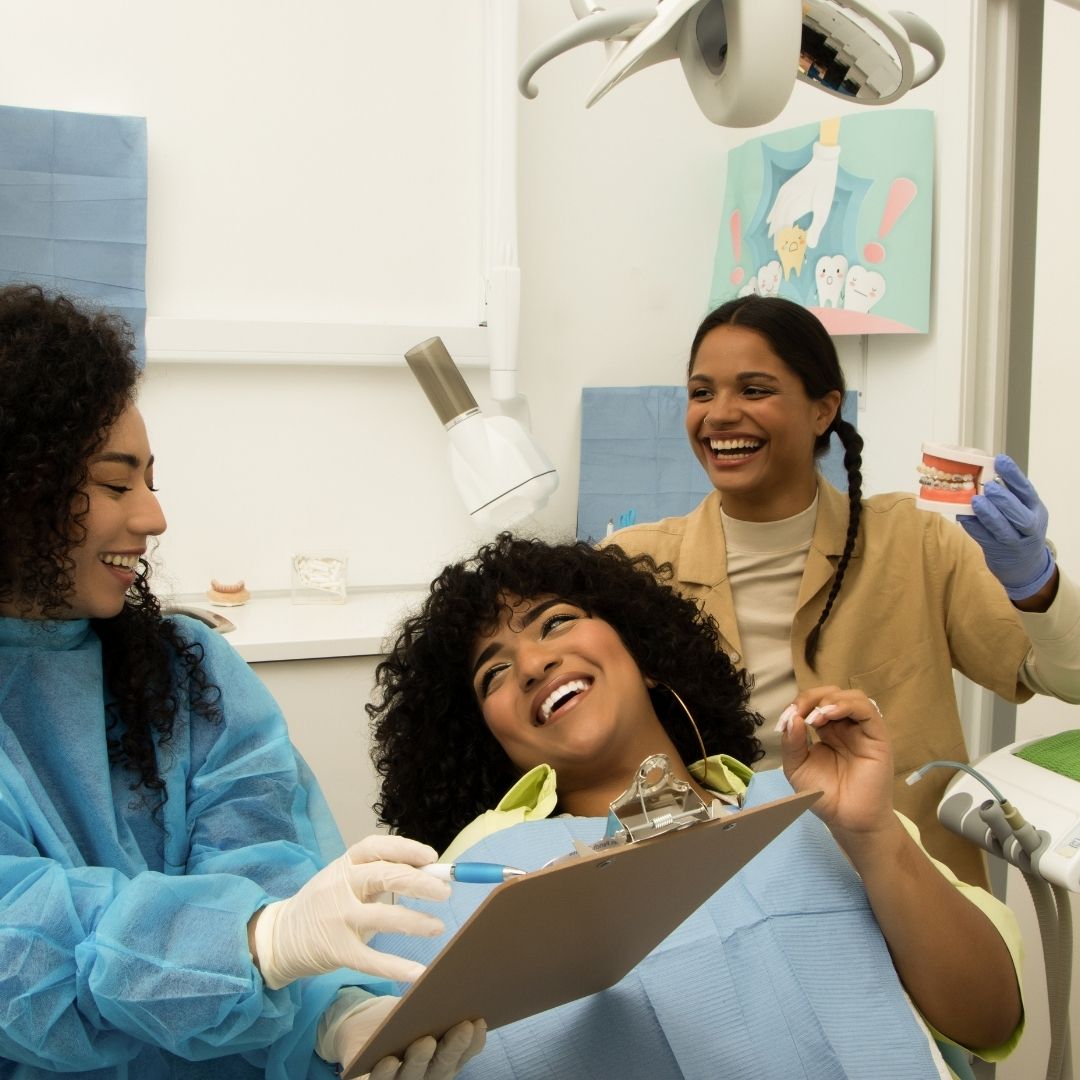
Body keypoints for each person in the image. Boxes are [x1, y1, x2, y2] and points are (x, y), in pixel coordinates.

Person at [0, 285, 484, 1079]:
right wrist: (256, 941)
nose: (154, 518)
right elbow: (26, 958)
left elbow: (270, 863)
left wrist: (336, 1011)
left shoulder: (185, 671)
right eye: (117, 485)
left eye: (152, 480)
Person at [368, 534, 1024, 1079]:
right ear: (491, 742)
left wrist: (873, 835)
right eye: (494, 673)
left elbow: (990, 1019)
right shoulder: (469, 871)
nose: (534, 663)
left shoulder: (815, 805)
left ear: (645, 655)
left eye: (557, 622)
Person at [602, 294, 1080, 886]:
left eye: (754, 390)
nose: (719, 414)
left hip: (910, 893)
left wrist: (1036, 583)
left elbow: (1066, 678)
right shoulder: (634, 568)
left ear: (823, 409)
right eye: (702, 392)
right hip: (721, 893)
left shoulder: (914, 543)